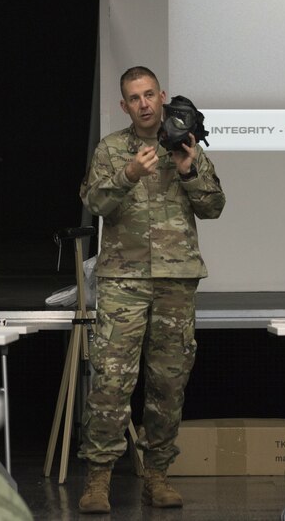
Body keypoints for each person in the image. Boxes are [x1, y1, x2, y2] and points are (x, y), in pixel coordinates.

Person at [76, 66, 226, 513]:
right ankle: (98, 480)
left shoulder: (185, 144)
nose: (143, 104)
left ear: (161, 96)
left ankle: (157, 475)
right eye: (133, 98)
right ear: (124, 106)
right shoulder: (111, 149)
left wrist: (189, 169)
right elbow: (93, 204)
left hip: (176, 281)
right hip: (124, 281)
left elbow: (214, 206)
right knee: (111, 381)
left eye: (148, 95)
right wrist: (126, 175)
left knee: (168, 382)